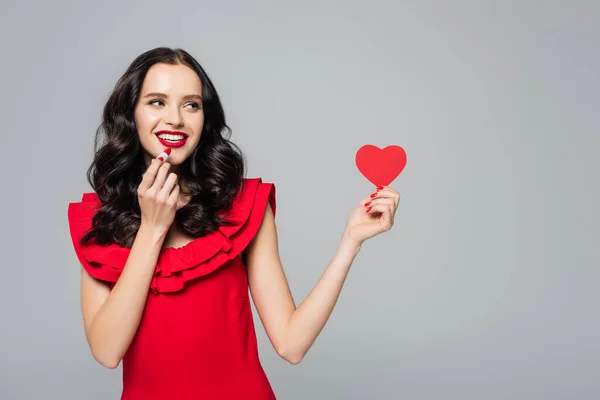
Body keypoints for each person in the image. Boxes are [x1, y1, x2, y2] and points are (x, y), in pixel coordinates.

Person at [67, 47, 401, 399]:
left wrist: (350, 241)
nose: (176, 119)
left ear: (204, 117)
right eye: (157, 102)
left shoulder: (243, 206)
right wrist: (152, 229)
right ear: (130, 114)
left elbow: (292, 344)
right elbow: (106, 351)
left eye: (191, 105)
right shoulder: (99, 222)